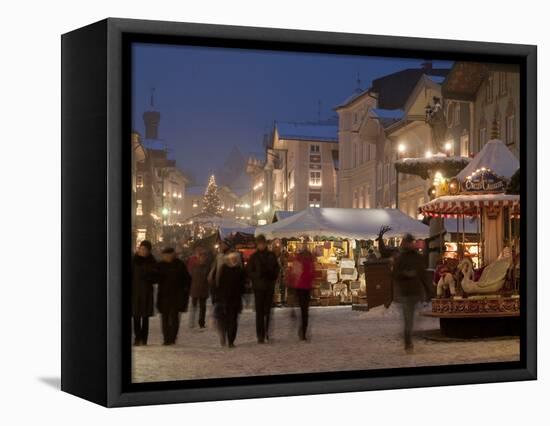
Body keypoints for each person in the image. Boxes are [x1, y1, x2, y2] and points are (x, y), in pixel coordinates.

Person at [392, 233, 432, 353]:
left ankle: (409, 339)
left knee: (414, 319)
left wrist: (428, 290)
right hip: (406, 293)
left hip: (415, 292)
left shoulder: (417, 257)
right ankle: (408, 343)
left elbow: (423, 274)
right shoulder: (401, 258)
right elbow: (394, 274)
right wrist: (405, 274)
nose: (409, 244)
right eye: (408, 242)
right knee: (408, 320)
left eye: (410, 242)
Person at [247, 234, 280, 344]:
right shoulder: (254, 257)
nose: (261, 245)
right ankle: (260, 335)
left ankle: (266, 332)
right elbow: (249, 271)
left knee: (268, 312)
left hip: (268, 286)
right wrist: (257, 275)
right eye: (259, 243)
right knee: (259, 312)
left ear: (265, 243)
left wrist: (272, 276)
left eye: (262, 243)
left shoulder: (271, 255)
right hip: (259, 287)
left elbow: (277, 268)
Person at [157, 247, 191, 345]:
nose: (167, 257)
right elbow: (154, 276)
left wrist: (185, 289)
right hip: (163, 295)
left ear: (173, 254)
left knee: (174, 317)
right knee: (165, 318)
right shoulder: (160, 265)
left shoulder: (180, 265)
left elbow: (187, 279)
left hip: (176, 295)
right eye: (165, 255)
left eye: (169, 254)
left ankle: (172, 337)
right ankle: (166, 338)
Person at [215, 251, 247, 347]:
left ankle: (231, 340)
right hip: (225, 299)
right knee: (225, 319)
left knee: (233, 320)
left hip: (236, 299)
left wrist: (243, 294)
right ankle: (224, 335)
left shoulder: (239, 270)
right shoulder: (223, 269)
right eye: (231, 258)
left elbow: (242, 285)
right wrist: (219, 296)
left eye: (235, 259)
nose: (233, 260)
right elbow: (219, 284)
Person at [132, 240, 158, 346]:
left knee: (145, 317)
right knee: (136, 316)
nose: (143, 251)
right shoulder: (134, 260)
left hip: (147, 292)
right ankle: (137, 338)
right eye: (141, 249)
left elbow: (156, 277)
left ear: (149, 251)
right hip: (135, 292)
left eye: (145, 249)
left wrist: (149, 277)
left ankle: (144, 339)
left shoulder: (152, 262)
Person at [287, 246, 315, 341]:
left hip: (304, 288)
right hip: (300, 288)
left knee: (304, 312)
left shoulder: (307, 262)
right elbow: (295, 274)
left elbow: (311, 275)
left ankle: (303, 331)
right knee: (304, 312)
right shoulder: (300, 261)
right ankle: (303, 332)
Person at [189, 248, 211, 328]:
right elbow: (190, 276)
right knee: (194, 306)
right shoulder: (194, 266)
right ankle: (192, 321)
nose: (203, 258)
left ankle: (201, 322)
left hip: (203, 290)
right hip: (195, 289)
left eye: (204, 257)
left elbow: (209, 277)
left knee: (203, 307)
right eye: (202, 257)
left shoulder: (207, 267)